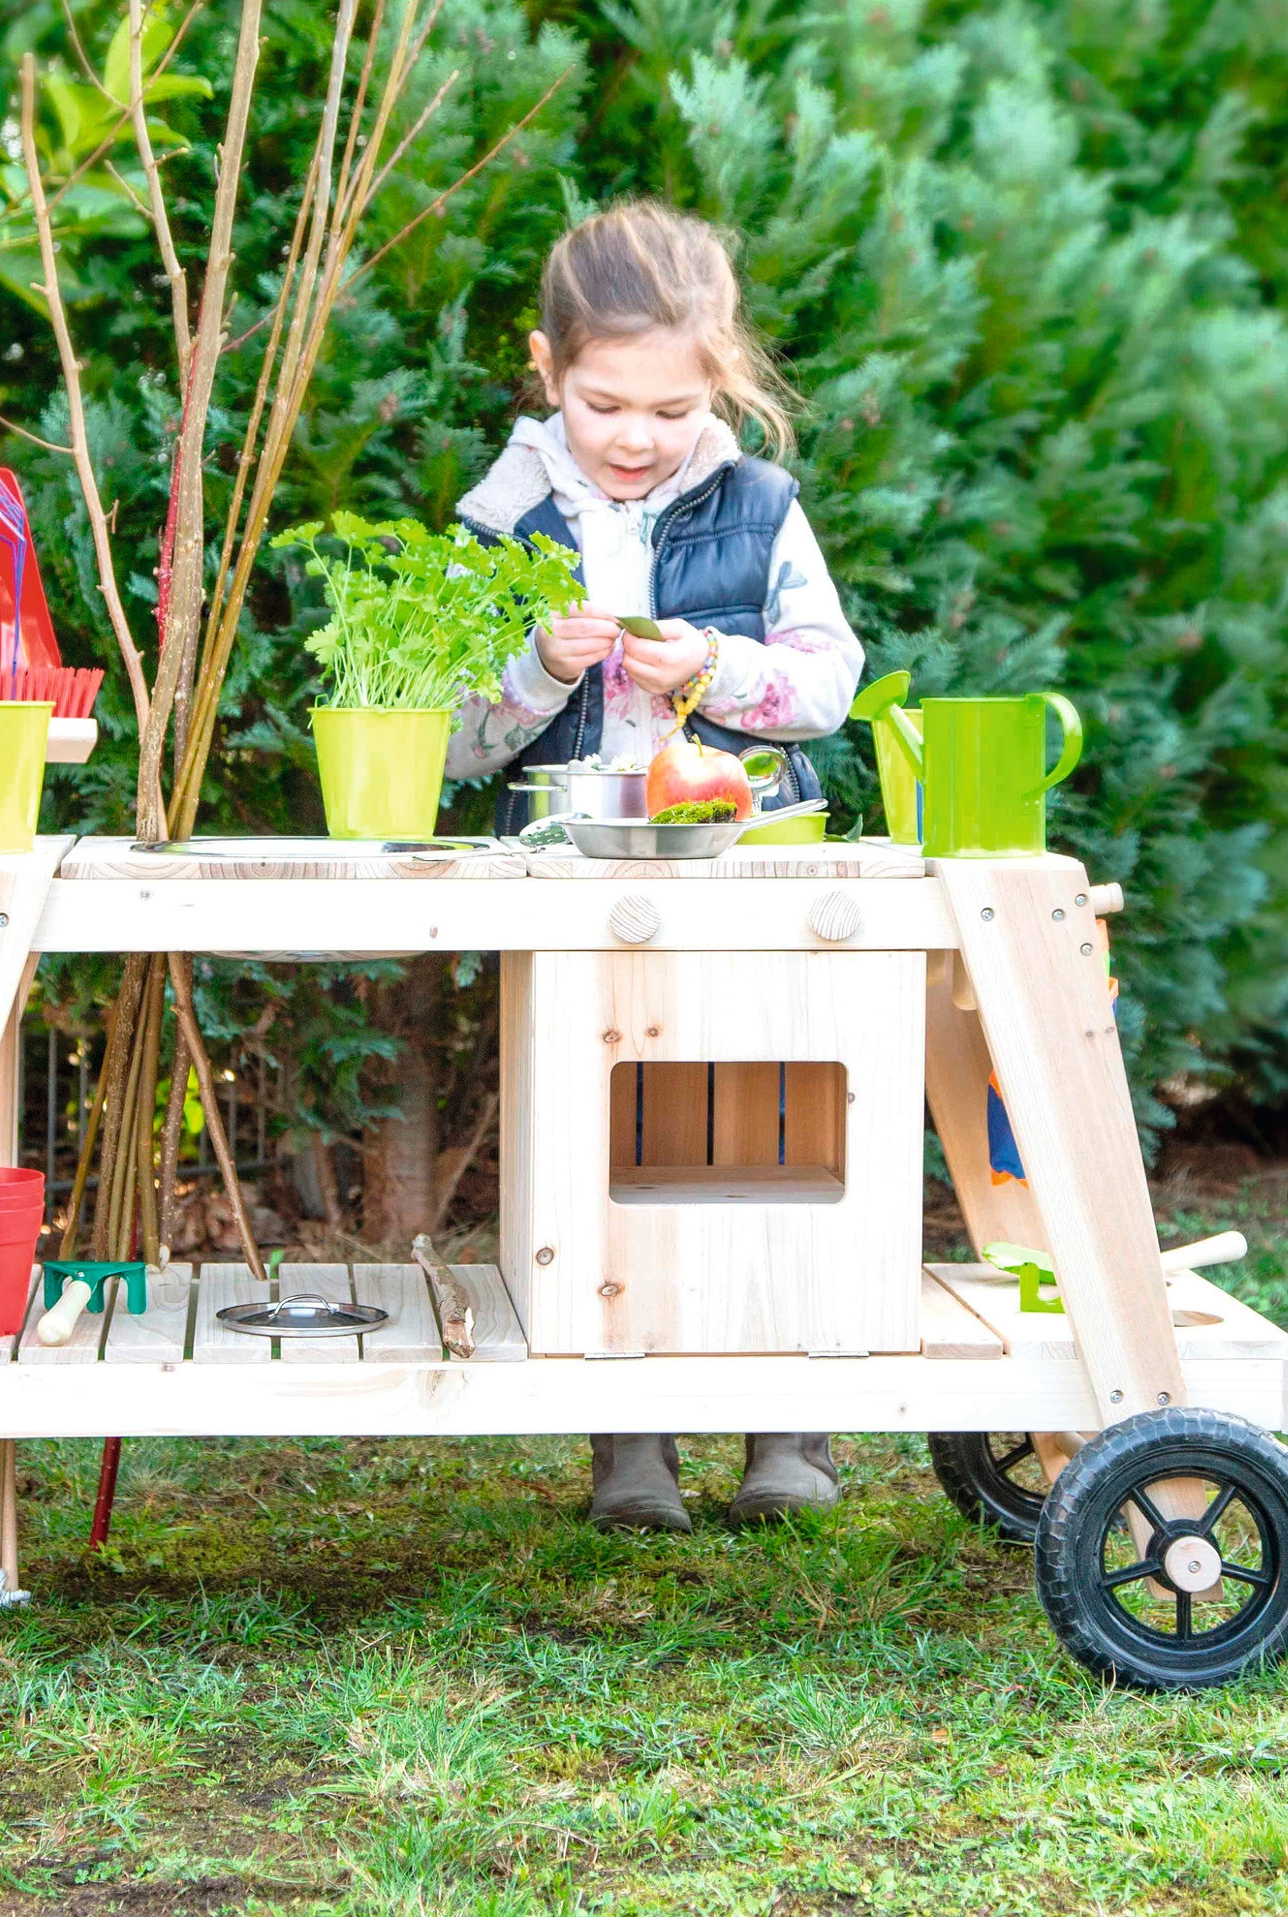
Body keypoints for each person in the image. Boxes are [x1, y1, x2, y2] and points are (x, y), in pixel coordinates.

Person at [448, 201, 865, 1531]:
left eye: (672, 409)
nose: (634, 436)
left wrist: (721, 666)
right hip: (579, 886)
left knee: (772, 1124)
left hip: (743, 874)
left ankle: (787, 1425)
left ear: (719, 383)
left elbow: (828, 684)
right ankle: (630, 1436)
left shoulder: (761, 505)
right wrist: (534, 669)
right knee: (606, 1137)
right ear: (546, 368)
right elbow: (449, 739)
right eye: (604, 404)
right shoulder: (504, 514)